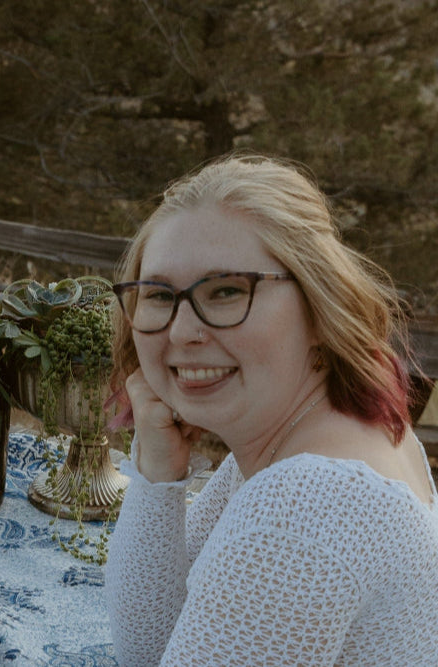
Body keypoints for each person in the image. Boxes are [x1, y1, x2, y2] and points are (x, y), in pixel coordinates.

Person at [103, 154, 438, 665]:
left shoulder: (306, 505)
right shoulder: (293, 438)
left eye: (227, 291)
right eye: (158, 294)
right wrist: (157, 464)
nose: (181, 332)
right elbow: (149, 644)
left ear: (319, 305)